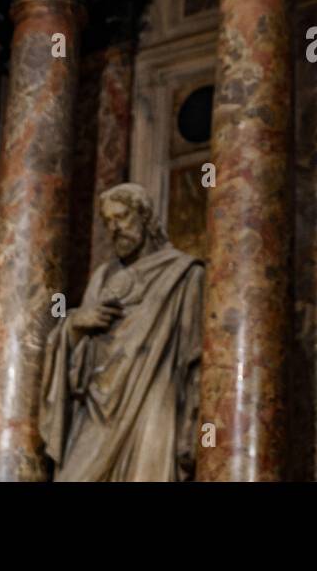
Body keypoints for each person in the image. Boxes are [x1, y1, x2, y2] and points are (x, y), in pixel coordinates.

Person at [40, 184, 204, 481]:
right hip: (96, 406)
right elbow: (74, 366)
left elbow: (197, 361)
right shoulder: (102, 276)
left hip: (152, 401)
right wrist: (75, 323)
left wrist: (195, 433)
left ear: (145, 216)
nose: (114, 228)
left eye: (122, 217)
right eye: (107, 222)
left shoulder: (185, 274)